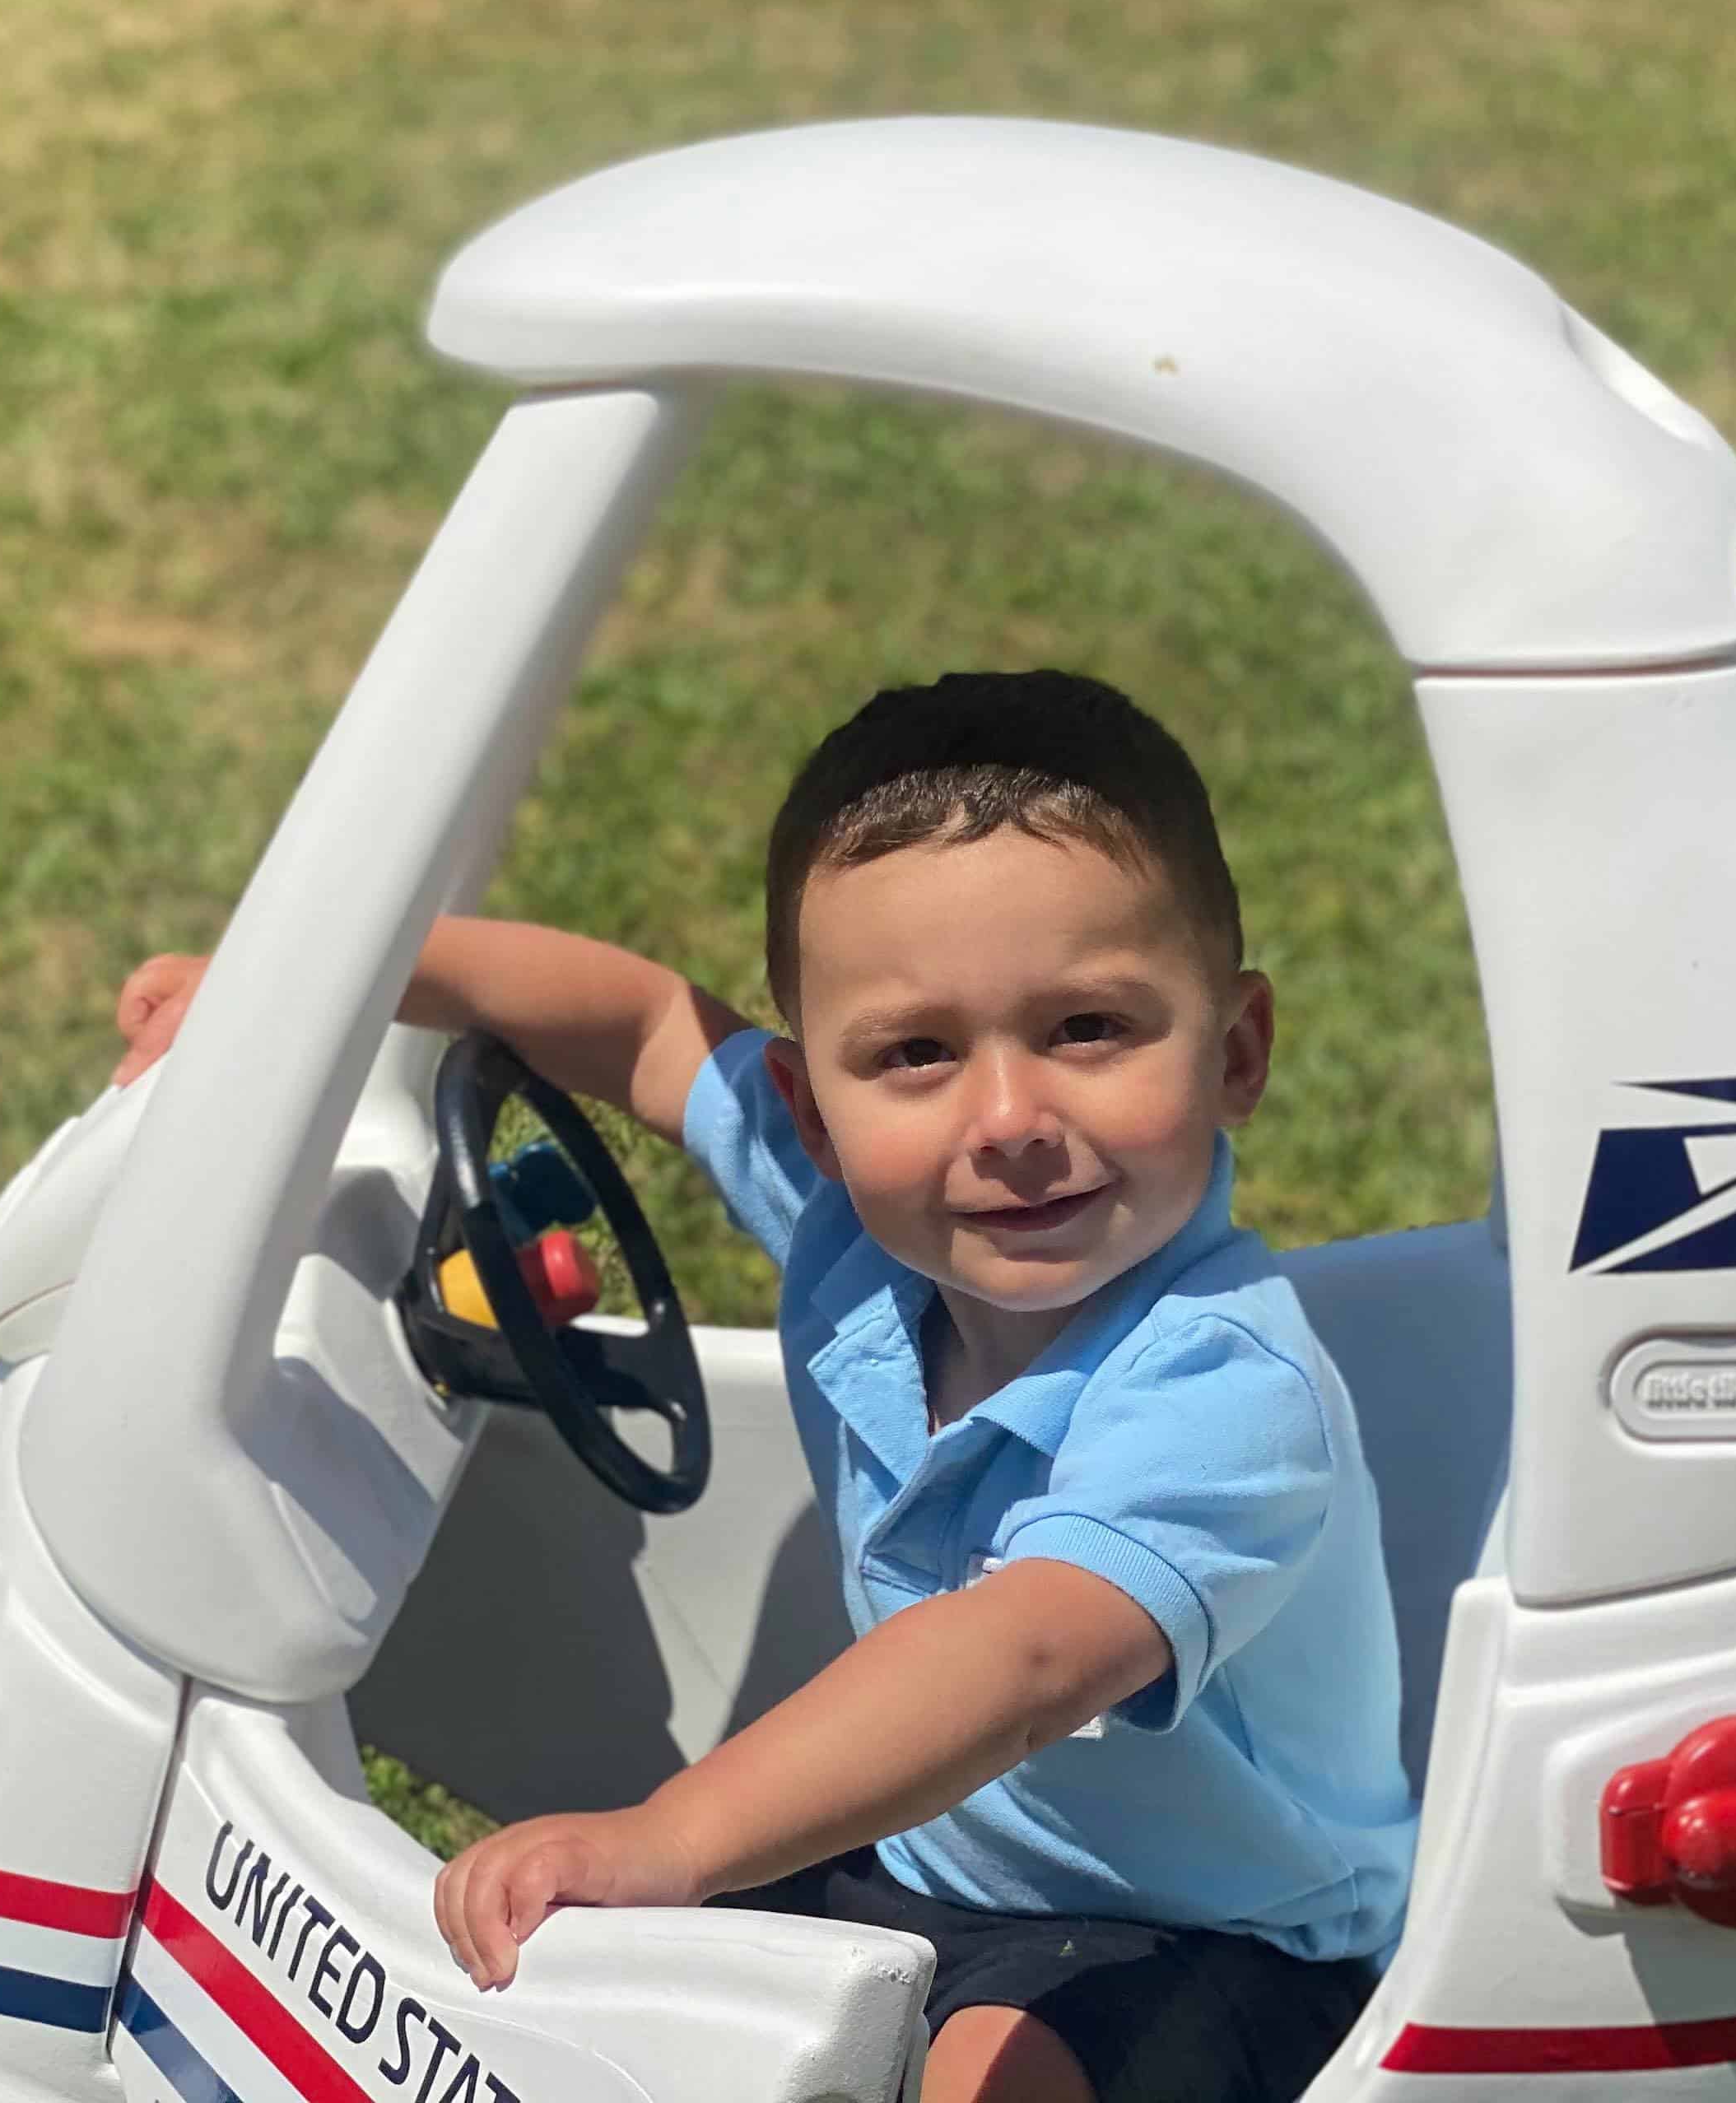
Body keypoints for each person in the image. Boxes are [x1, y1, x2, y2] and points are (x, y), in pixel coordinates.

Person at [111, 670, 1415, 2103]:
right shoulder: (860, 1232)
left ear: (1234, 1052)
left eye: (1089, 1029)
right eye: (915, 1053)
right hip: (924, 1859)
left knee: (1000, 2073)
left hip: (1219, 1940)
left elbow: (1025, 1661)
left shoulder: (1227, 1381)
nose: (1009, 1121)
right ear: (811, 1107)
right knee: (610, 2014)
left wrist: (670, 1834)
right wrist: (302, 985)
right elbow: (648, 1029)